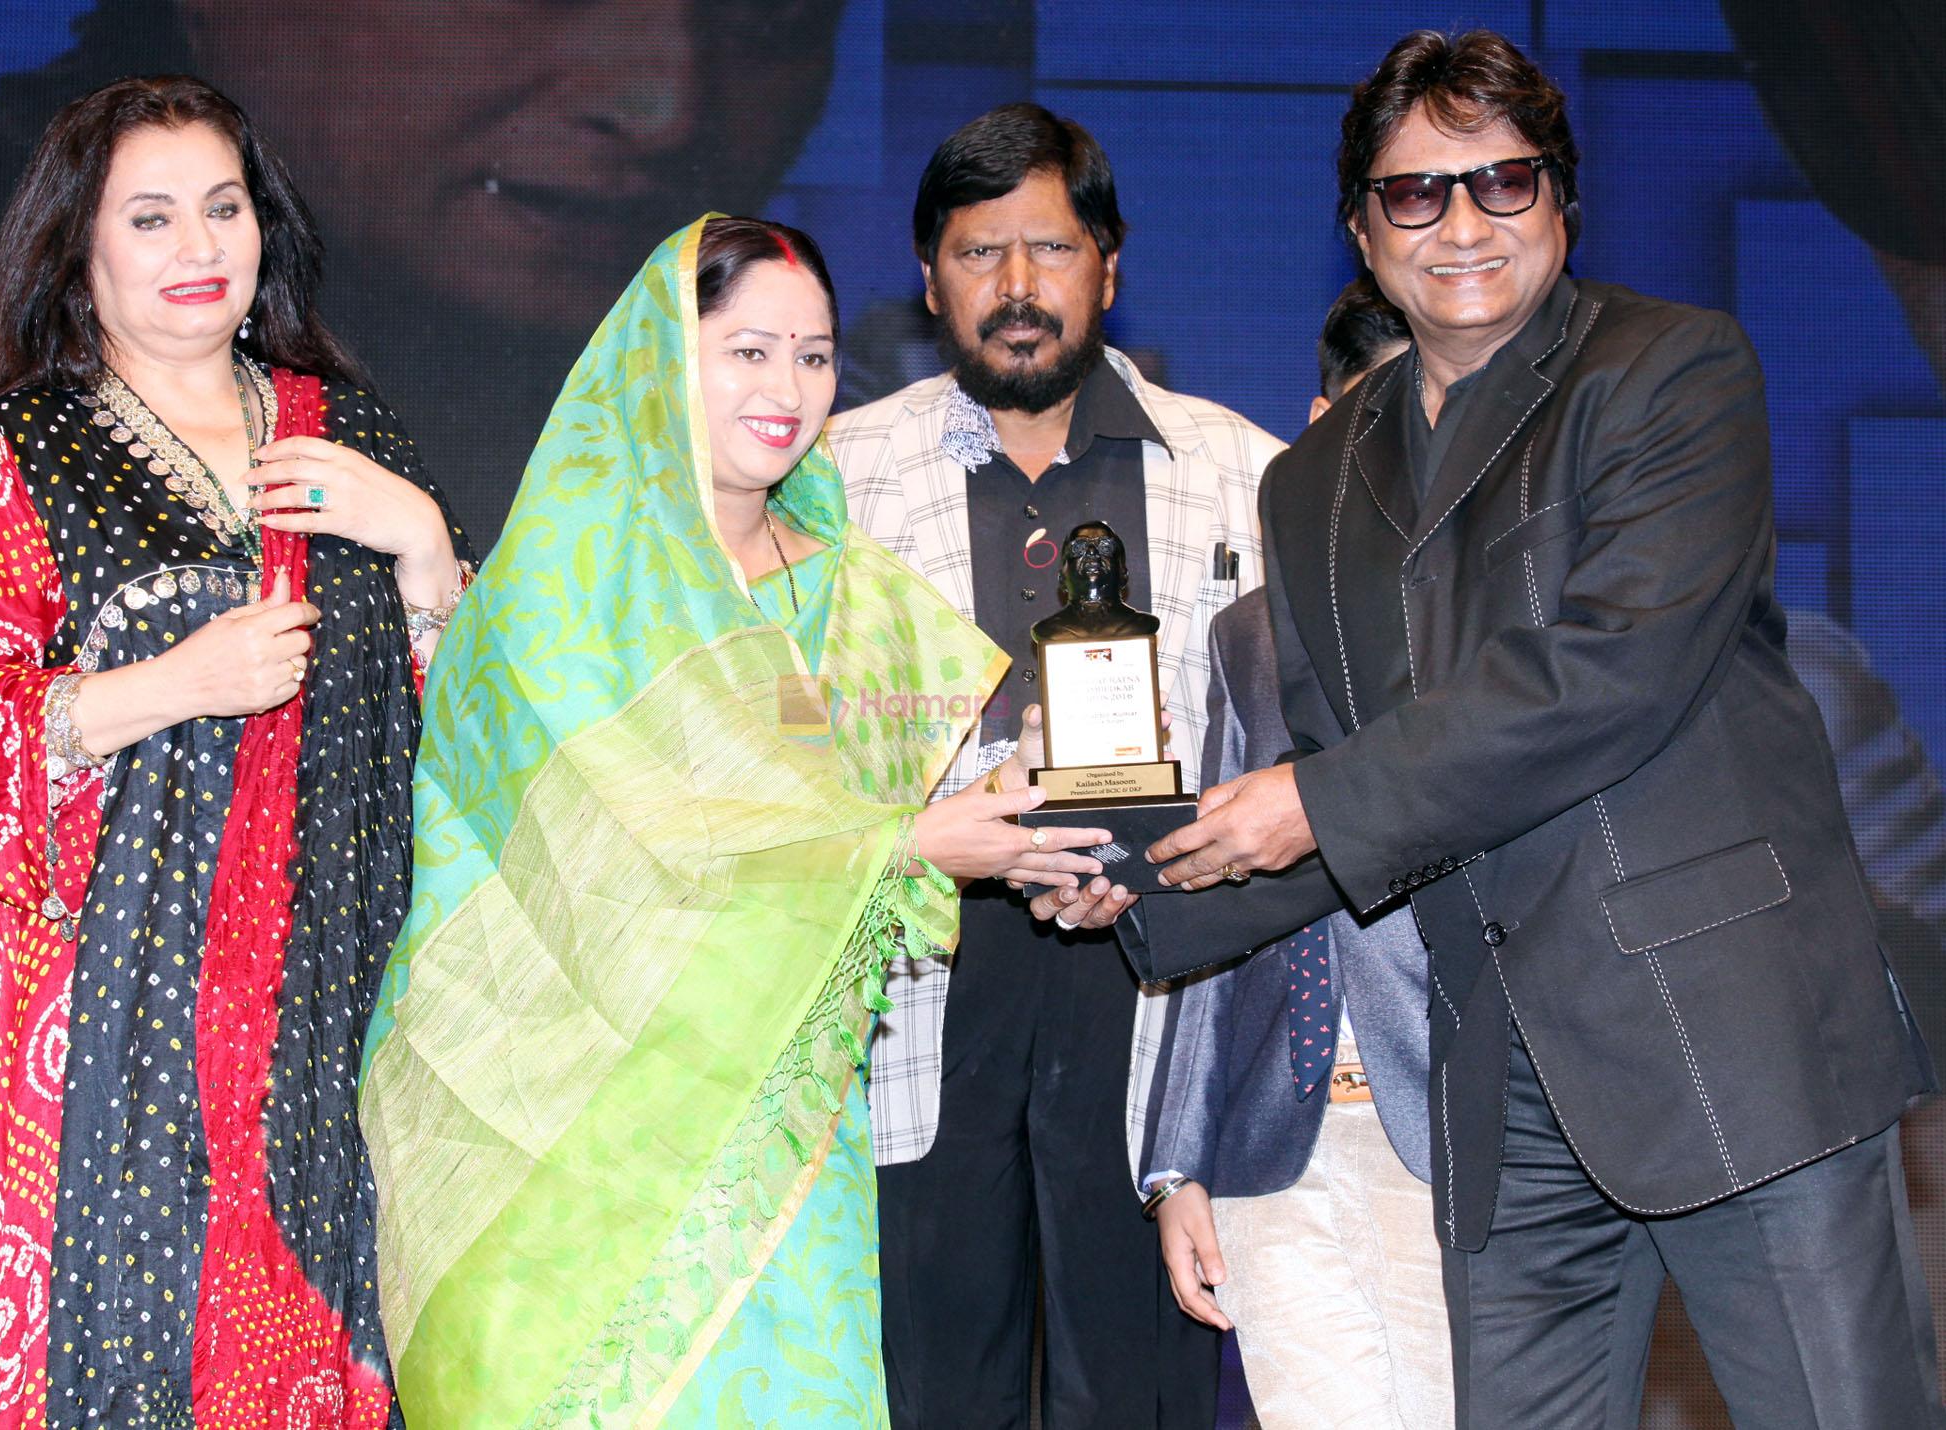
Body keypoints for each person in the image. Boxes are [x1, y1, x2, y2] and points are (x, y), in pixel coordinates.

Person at [1044, 29, 1943, 1427]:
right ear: (1361, 227)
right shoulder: (1317, 483)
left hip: (1735, 1039)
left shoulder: (1672, 371)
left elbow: (1604, 675)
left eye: (1504, 183)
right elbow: (1361, 782)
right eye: (1416, 193)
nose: (1462, 224)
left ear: (1562, 203)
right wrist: (1140, 885)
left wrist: (1306, 803)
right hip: (1499, 1083)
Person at [356, 215, 1109, 1427]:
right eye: (748, 351)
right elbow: (604, 852)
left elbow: (912, 813)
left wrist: (1052, 851)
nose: (788, 388)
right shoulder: (564, 583)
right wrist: (913, 849)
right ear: (666, 355)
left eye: (813, 356)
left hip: (777, 1147)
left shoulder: (851, 594)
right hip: (558, 1151)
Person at [0, 75, 469, 1426]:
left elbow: (484, 739)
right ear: (81, 255)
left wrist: (422, 537)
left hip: (329, 1032)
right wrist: (165, 684)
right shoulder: (21, 452)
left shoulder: (353, 434)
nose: (200, 248)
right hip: (105, 1051)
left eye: (224, 207)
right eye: (151, 218)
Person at [826, 103, 1281, 1428]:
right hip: (920, 989)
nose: (1019, 289)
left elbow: (1295, 751)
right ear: (927, 278)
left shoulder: (1243, 472)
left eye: (1053, 248)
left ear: (1112, 265)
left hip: (1153, 984)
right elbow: (772, 755)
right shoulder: (836, 486)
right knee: (926, 1395)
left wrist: (1161, 859)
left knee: (1140, 1393)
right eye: (980, 254)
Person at [0, 0, 845, 587]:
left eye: (770, 14)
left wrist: (423, 558)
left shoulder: (352, 426)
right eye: (154, 218)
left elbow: (459, 741)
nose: (665, 104)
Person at [1125, 279, 1452, 1429]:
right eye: (1374, 420)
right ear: (1317, 426)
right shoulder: (1246, 635)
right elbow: (1212, 911)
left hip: (1452, 1141)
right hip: (1275, 1147)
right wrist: (1177, 1164)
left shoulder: (1505, 635)